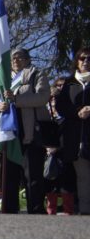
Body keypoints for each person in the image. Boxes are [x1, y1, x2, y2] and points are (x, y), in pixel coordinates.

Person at [0, 48, 51, 214]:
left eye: (20, 57)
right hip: (10, 133)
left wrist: (17, 99)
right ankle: (9, 210)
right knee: (9, 176)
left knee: (32, 176)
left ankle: (35, 211)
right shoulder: (5, 79)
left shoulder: (37, 74)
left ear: (27, 59)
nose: (16, 60)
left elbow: (43, 97)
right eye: (13, 58)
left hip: (30, 132)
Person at [55, 48, 90, 215]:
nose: (86, 61)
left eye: (89, 59)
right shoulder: (69, 83)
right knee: (82, 178)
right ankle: (85, 212)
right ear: (77, 61)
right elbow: (61, 107)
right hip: (75, 139)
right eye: (82, 58)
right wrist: (77, 112)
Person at [44, 77, 75, 214]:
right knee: (50, 182)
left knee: (66, 183)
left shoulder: (69, 104)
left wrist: (59, 146)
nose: (60, 88)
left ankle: (69, 211)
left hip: (65, 149)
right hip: (48, 151)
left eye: (63, 85)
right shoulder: (47, 106)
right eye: (58, 85)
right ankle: (51, 210)